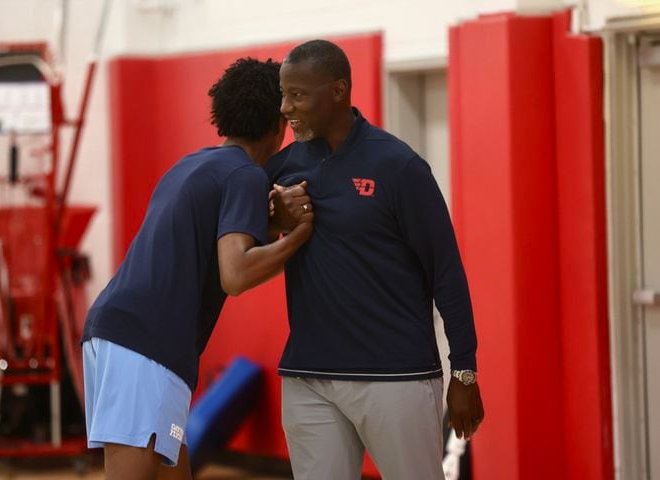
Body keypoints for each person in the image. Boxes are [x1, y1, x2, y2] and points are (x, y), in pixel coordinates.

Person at [80, 58, 313, 480]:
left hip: (118, 332)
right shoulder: (245, 176)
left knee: (173, 471)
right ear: (277, 124)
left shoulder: (195, 164)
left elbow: (210, 238)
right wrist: (297, 238)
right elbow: (236, 273)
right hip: (145, 343)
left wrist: (271, 223)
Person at [265, 39, 485, 480]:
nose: (286, 107)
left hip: (397, 376)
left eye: (298, 95)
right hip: (308, 377)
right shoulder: (281, 168)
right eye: (283, 94)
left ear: (339, 90)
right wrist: (273, 220)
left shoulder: (398, 166)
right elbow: (243, 244)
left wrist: (464, 373)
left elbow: (446, 272)